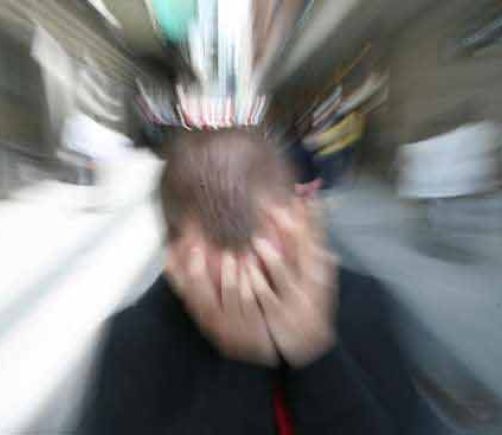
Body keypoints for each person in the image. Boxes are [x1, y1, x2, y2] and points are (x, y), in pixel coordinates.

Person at [76, 129, 438, 434]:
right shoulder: (137, 340)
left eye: (275, 272)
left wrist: (316, 355)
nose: (254, 298)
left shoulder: (361, 304)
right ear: (177, 264)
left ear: (304, 226)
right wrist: (243, 362)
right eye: (224, 286)